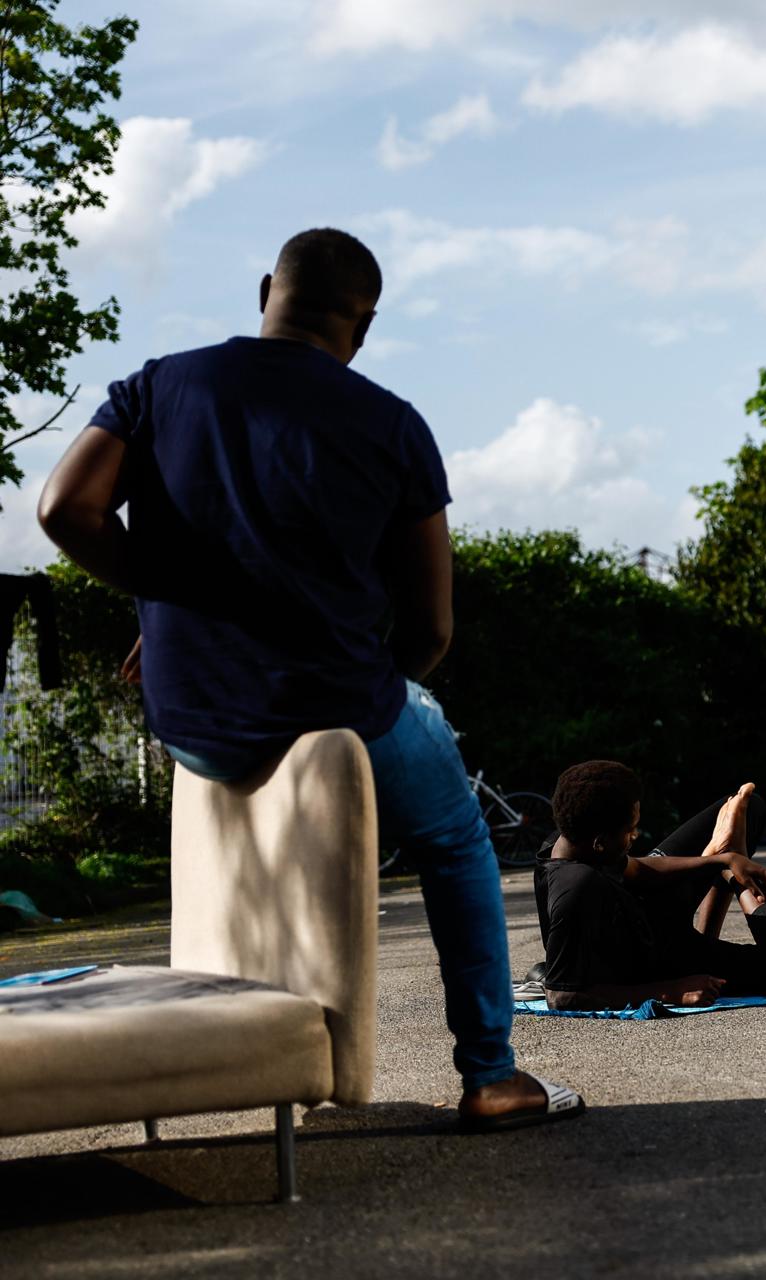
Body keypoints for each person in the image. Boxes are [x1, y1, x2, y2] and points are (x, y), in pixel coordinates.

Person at [36, 228, 582, 1132]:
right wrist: (373, 698)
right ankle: (491, 1074)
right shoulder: (392, 424)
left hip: (192, 720)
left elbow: (64, 509)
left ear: (266, 290)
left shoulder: (160, 383)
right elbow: (433, 629)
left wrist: (173, 605)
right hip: (332, 708)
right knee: (455, 839)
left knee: (392, 735)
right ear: (361, 326)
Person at [535, 767, 766, 1012]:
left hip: (641, 912)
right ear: (600, 842)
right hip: (657, 961)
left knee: (750, 810)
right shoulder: (574, 888)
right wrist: (670, 991)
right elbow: (562, 996)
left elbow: (637, 869)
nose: (636, 836)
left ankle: (726, 856)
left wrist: (723, 860)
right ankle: (737, 888)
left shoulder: (573, 839)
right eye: (631, 830)